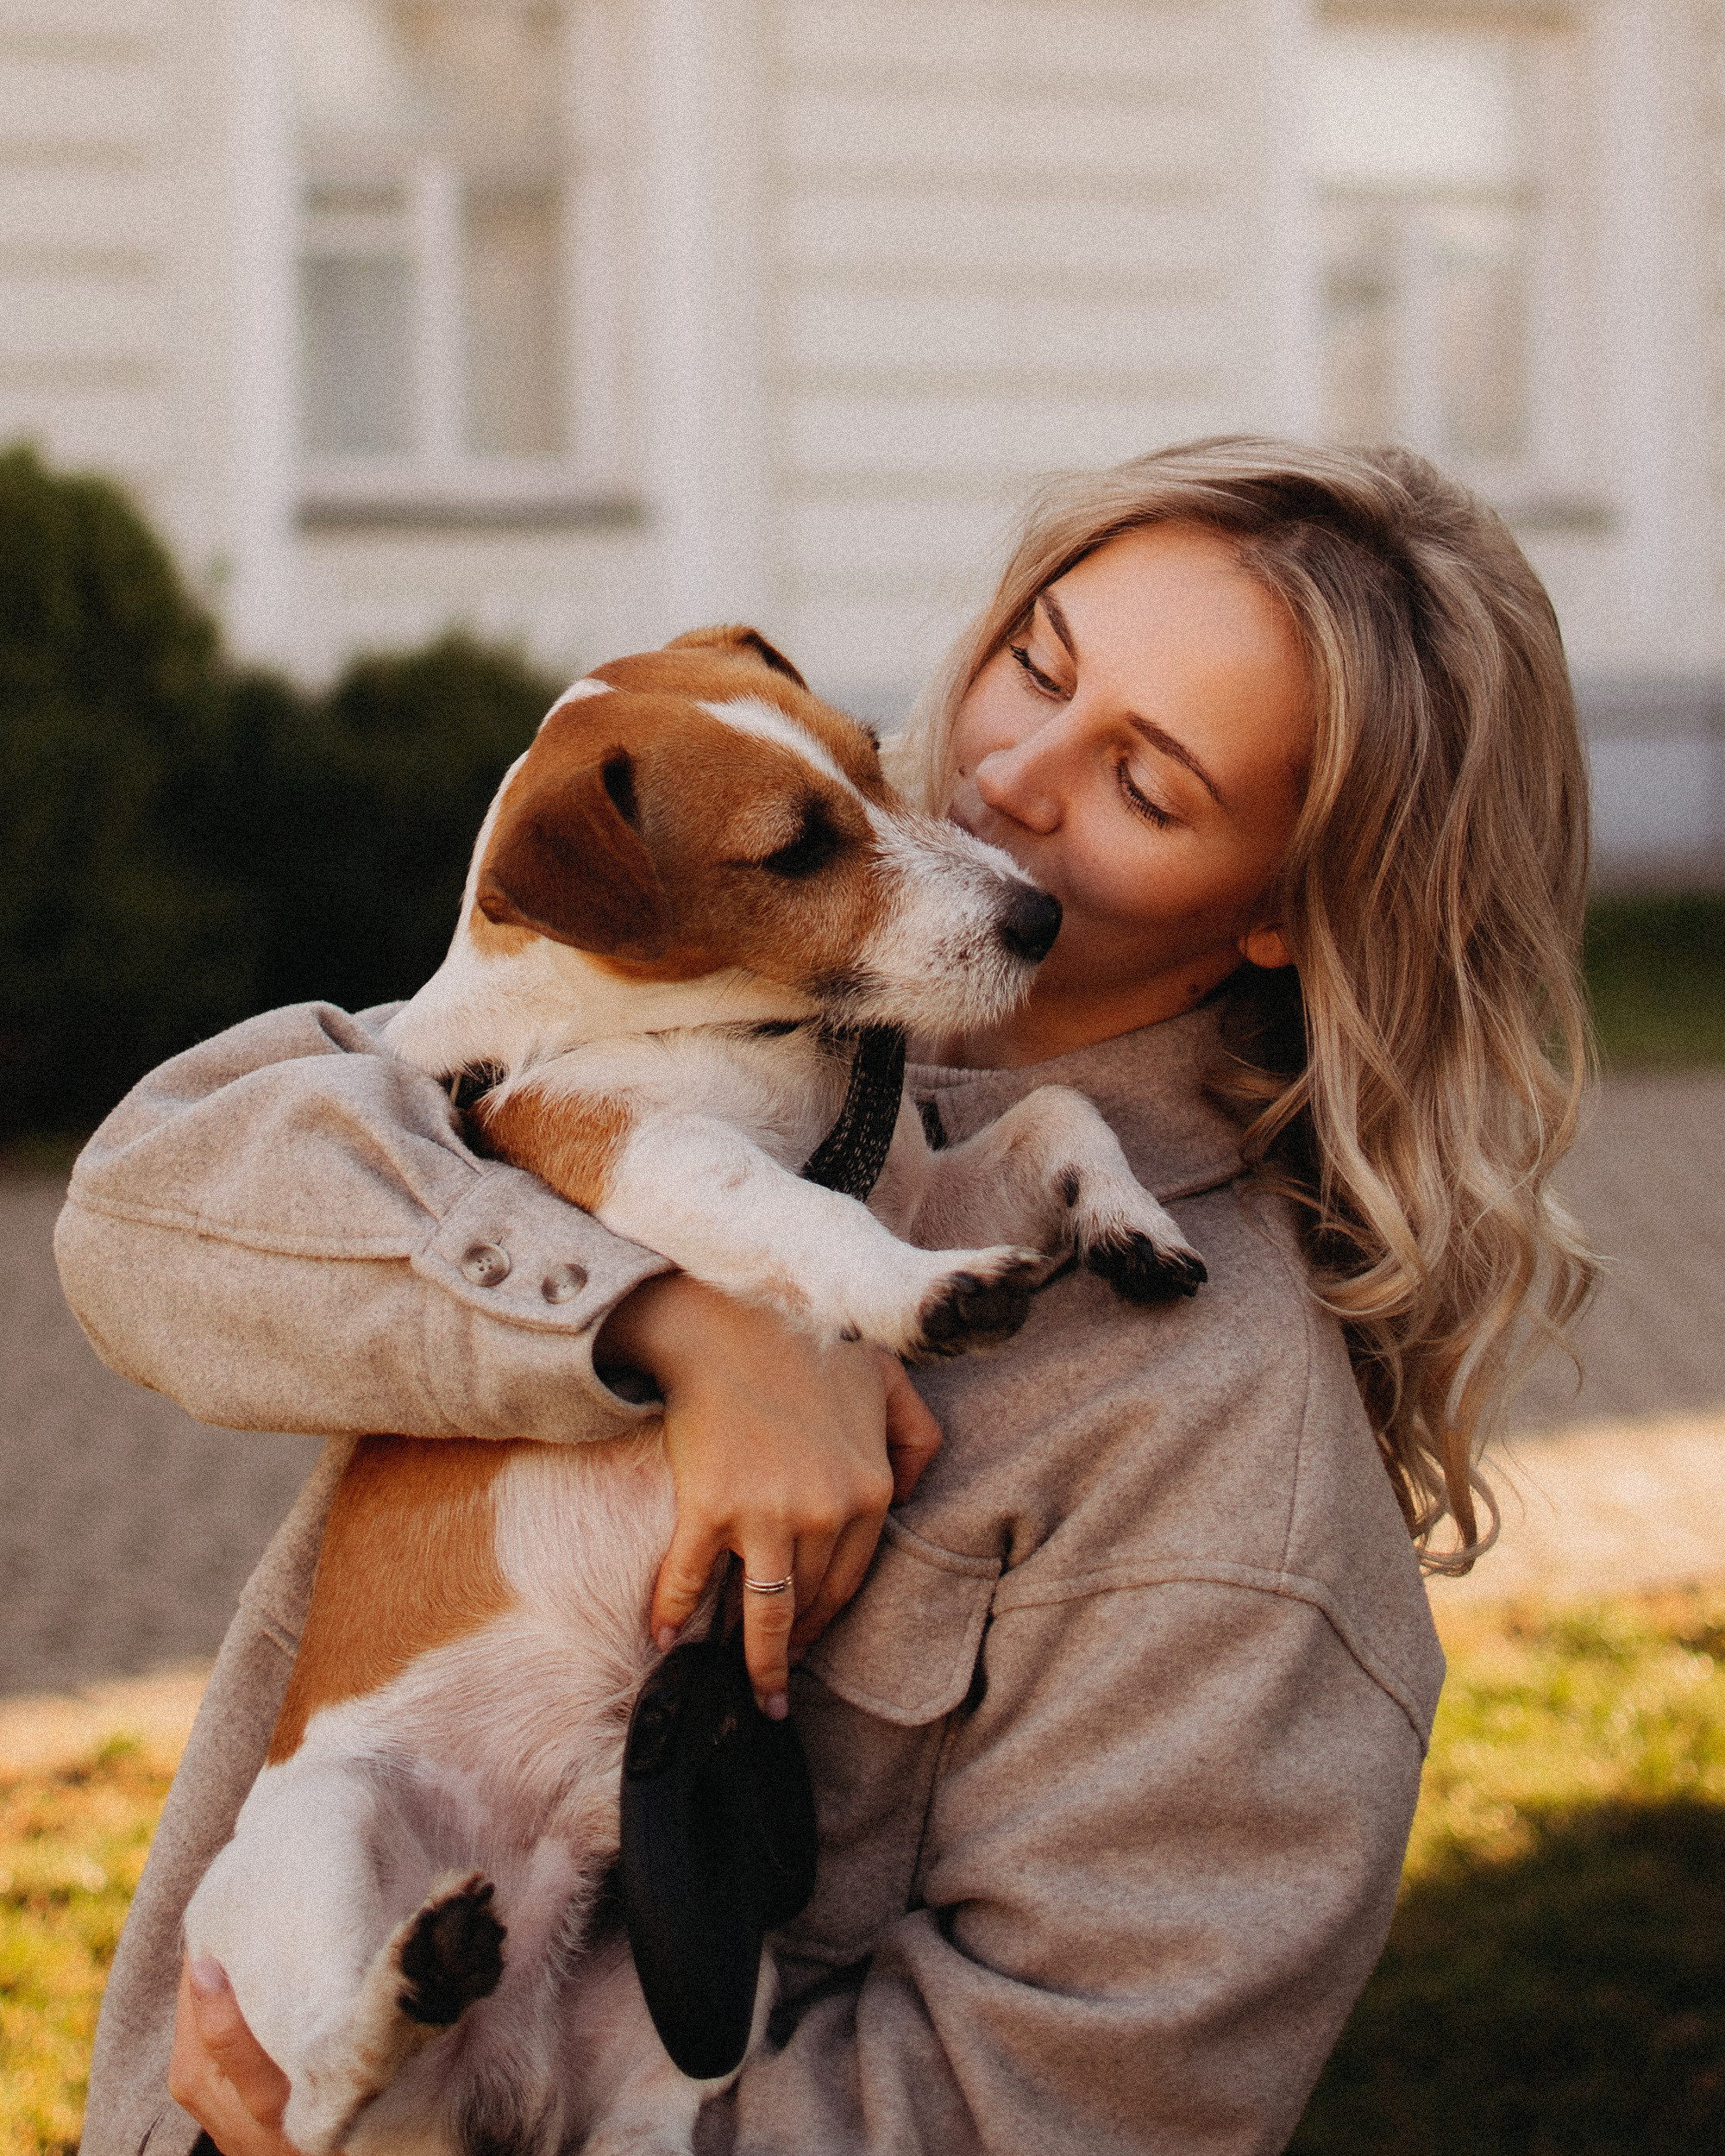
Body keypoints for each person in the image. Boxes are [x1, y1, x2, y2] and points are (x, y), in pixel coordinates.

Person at [60, 437, 1596, 2156]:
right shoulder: (719, 973)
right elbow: (140, 1215)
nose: (1006, 773)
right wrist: (671, 1327)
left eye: (1146, 786)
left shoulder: (1224, 1444)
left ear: (1287, 916)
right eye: (1038, 658)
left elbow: (1066, 2093)